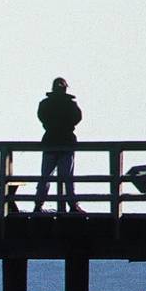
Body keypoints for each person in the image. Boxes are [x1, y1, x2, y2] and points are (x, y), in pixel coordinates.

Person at [33, 77, 83, 214]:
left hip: (50, 140)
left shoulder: (45, 104)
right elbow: (77, 118)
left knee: (45, 176)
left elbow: (42, 116)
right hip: (66, 141)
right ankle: (72, 205)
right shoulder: (71, 105)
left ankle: (38, 204)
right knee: (67, 177)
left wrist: (51, 126)